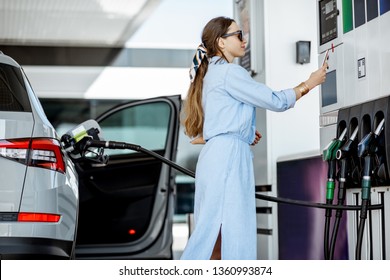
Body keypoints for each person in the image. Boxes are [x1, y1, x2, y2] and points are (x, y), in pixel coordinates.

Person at [180, 16, 327, 260]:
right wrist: (308, 84)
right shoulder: (229, 72)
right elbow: (275, 101)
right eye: (238, 35)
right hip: (228, 159)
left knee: (210, 233)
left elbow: (210, 129)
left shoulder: (209, 75)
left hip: (216, 157)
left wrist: (243, 133)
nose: (243, 39)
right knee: (232, 233)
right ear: (221, 42)